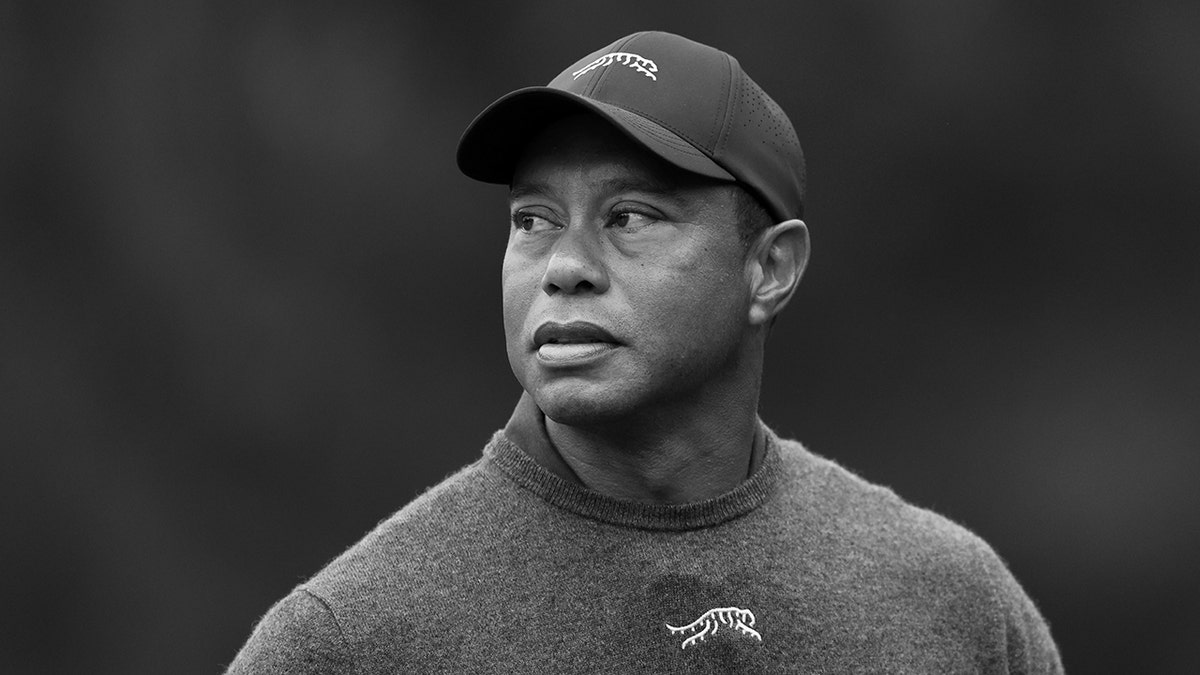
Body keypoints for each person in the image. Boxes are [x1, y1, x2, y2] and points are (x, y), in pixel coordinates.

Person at [225, 31, 1063, 673]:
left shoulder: (954, 608)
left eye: (630, 216)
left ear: (769, 268)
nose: (565, 268)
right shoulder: (351, 642)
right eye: (533, 219)